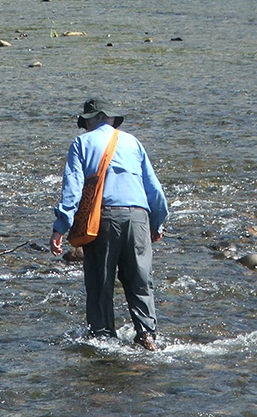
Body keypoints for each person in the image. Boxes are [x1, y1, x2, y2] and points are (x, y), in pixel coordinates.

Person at [49, 97, 169, 351]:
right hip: (138, 217)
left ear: (92, 120)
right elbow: (154, 189)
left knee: (100, 282)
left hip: (102, 218)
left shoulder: (81, 143)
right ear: (111, 119)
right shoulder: (133, 142)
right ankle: (147, 335)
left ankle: (103, 340)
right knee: (140, 280)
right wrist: (157, 223)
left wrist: (60, 227)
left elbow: (73, 189)